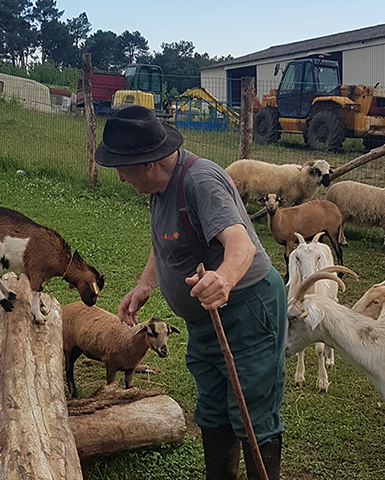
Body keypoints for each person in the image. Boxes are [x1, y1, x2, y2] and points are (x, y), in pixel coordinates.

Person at [95, 105, 286, 480]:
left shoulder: (200, 182)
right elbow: (166, 240)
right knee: (214, 411)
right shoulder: (158, 186)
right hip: (206, 321)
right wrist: (146, 284)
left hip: (246, 310)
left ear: (148, 163)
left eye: (121, 168)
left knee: (251, 410)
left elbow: (241, 243)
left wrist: (225, 279)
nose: (119, 178)